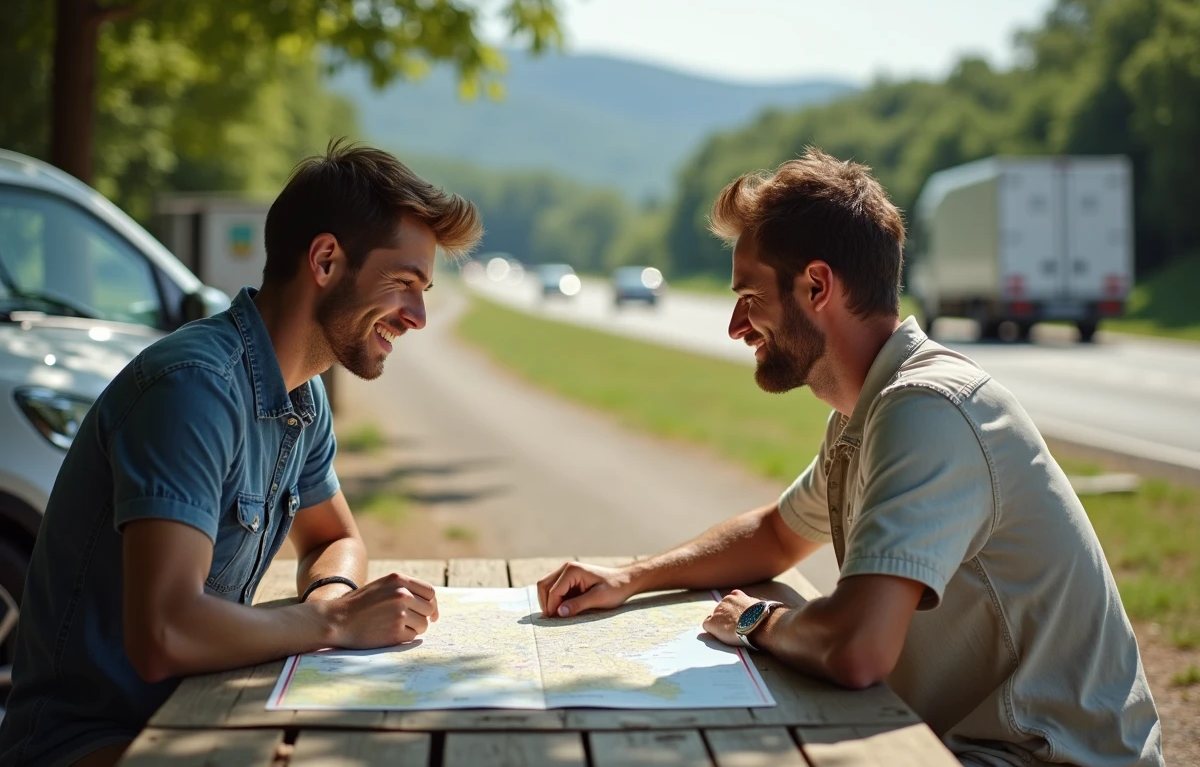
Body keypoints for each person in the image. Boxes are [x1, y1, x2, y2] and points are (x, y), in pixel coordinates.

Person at [536, 147, 1162, 766]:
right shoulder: (867, 409)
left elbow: (857, 649)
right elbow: (776, 533)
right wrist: (631, 577)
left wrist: (757, 619)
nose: (735, 326)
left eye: (749, 296)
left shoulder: (927, 410)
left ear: (816, 286)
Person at [0, 140, 482, 767]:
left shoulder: (300, 395)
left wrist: (326, 597)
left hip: (194, 712)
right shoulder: (193, 390)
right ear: (327, 259)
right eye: (403, 284)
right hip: (91, 744)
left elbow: (334, 539)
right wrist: (333, 624)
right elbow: (165, 633)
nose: (417, 316)